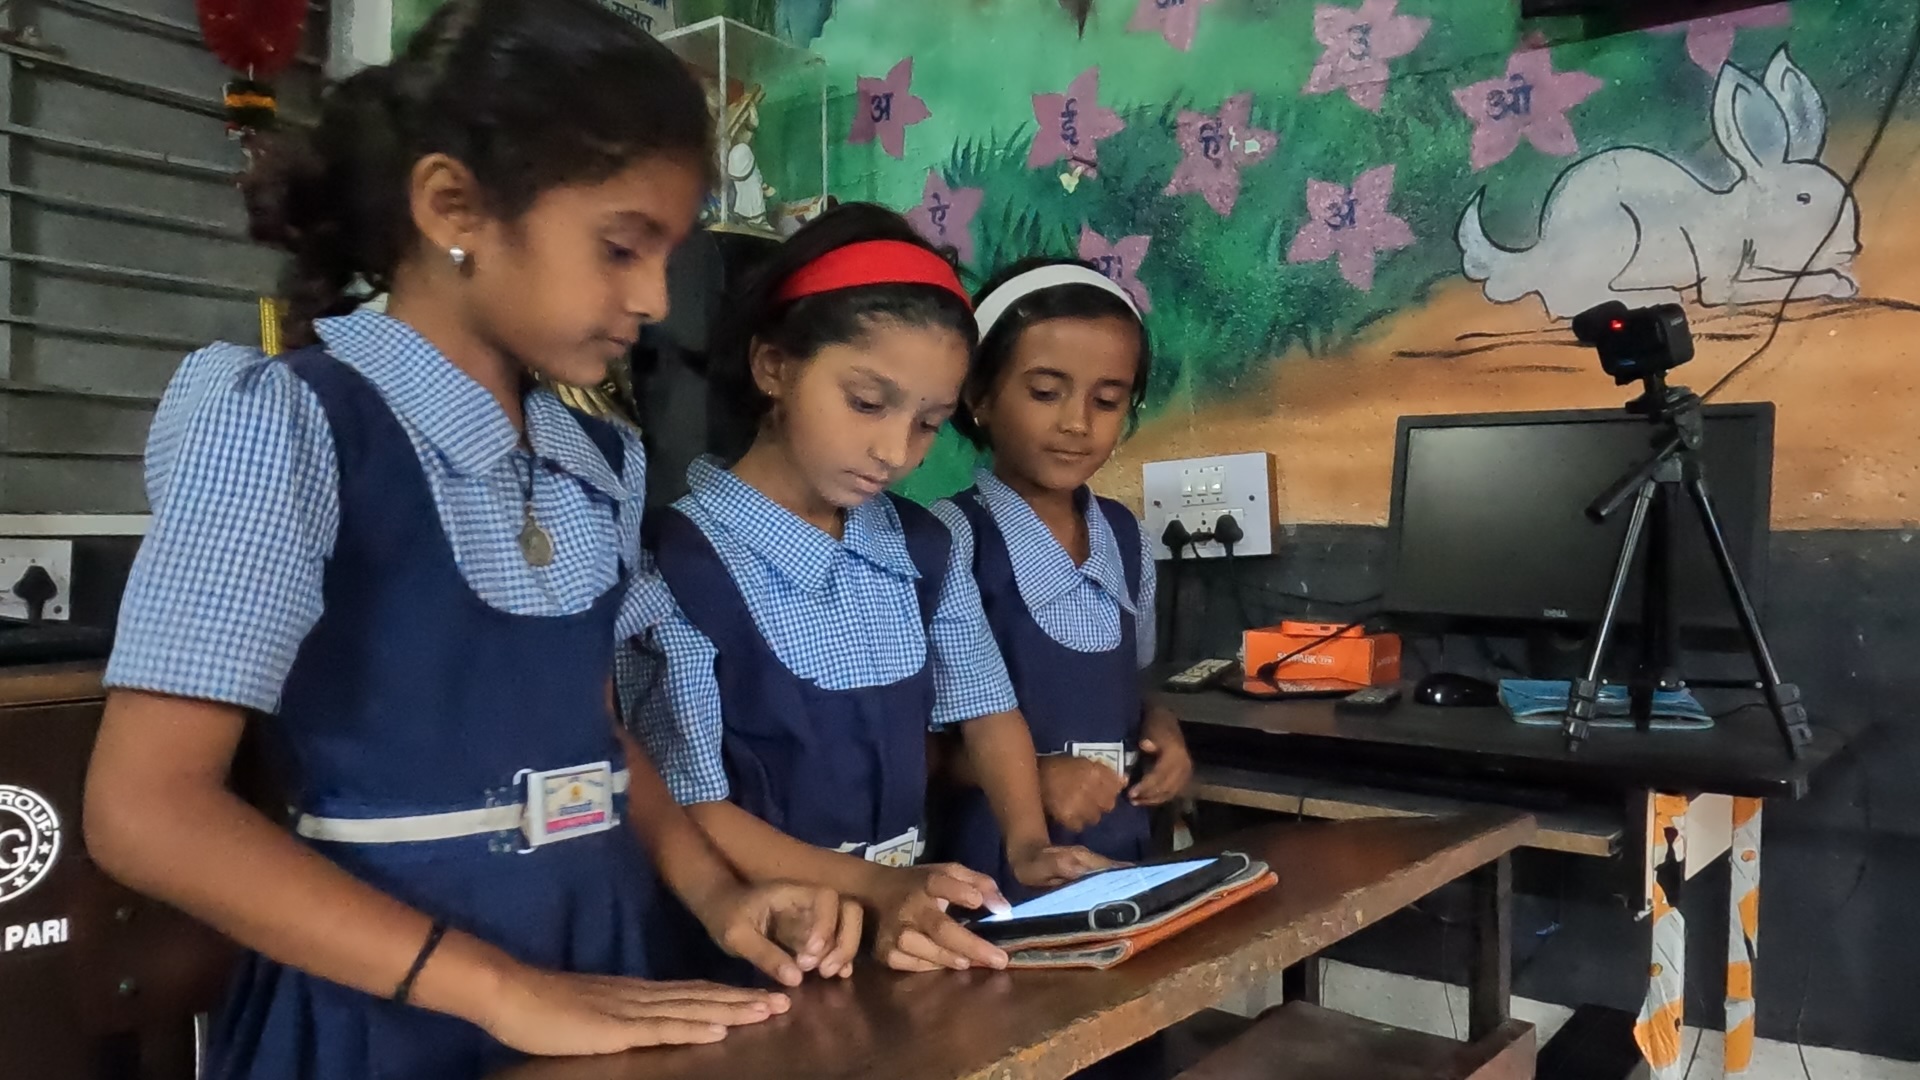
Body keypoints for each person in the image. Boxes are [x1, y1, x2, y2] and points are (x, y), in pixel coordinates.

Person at [82, 3, 858, 1077]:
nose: (649, 299)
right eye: (620, 246)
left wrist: (720, 893)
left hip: (603, 962)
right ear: (453, 206)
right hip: (386, 1010)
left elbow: (590, 733)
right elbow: (146, 811)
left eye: (665, 256)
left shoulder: (591, 459)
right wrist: (502, 992)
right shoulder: (289, 422)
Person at [628, 204, 1113, 977]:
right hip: (753, 953)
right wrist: (876, 885)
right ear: (774, 367)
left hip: (898, 936)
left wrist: (1028, 843)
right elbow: (692, 805)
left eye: (929, 423)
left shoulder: (923, 547)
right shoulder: (679, 567)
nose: (895, 451)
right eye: (866, 402)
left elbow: (987, 710)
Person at [931, 257, 1194, 899]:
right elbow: (910, 746)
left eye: (1106, 401)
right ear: (979, 395)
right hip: (992, 875)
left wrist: (1162, 728)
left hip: (1116, 859)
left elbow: (1127, 686)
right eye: (1045, 393)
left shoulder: (1127, 537)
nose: (1077, 423)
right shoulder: (948, 541)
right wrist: (1037, 774)